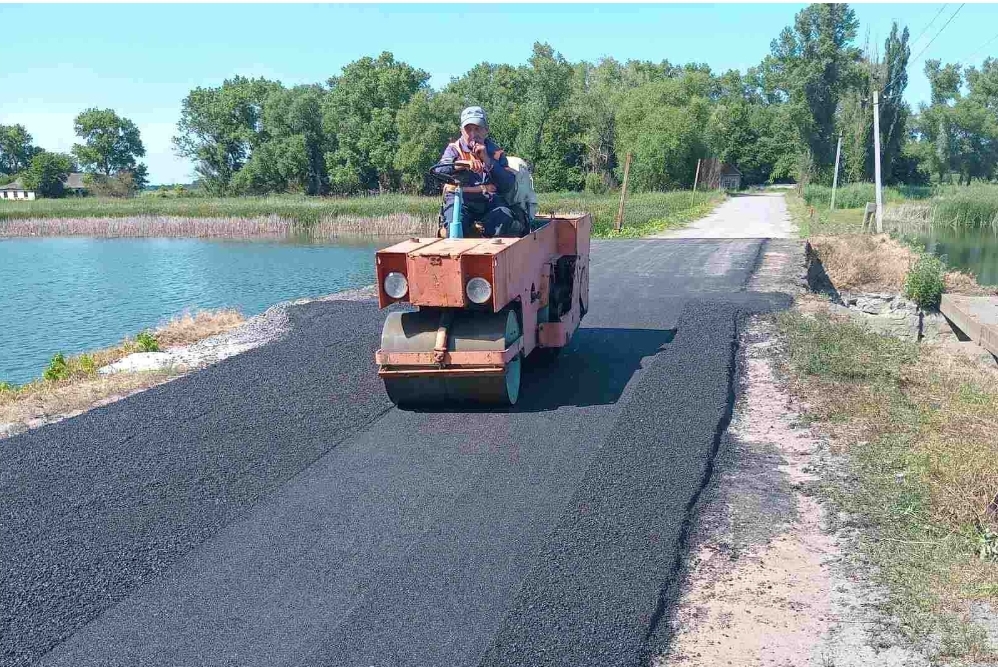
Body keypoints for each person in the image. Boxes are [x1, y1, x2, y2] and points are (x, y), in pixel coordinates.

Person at [437, 106, 521, 238]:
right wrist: (463, 164)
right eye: (468, 129)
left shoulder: (496, 152)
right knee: (454, 224)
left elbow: (508, 184)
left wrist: (487, 160)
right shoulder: (454, 149)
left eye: (477, 128)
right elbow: (439, 170)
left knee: (504, 216)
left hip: (490, 201)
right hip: (461, 201)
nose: (473, 134)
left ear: (486, 130)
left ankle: (490, 248)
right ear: (461, 131)